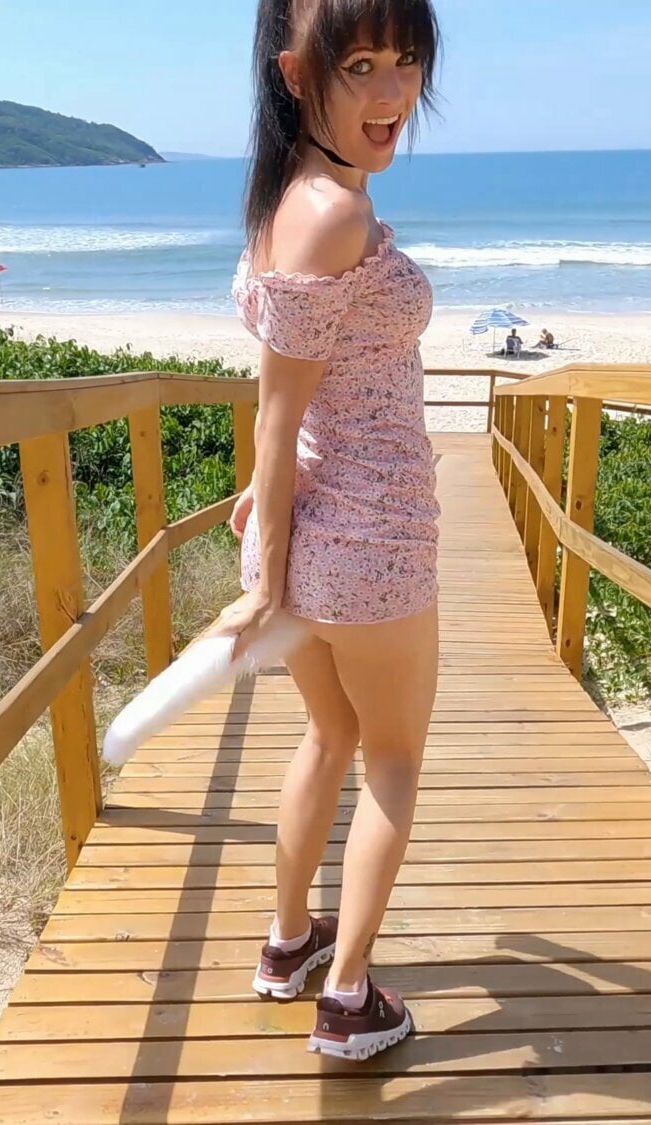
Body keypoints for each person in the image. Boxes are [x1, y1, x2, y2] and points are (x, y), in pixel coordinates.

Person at [219, 0, 442, 1061]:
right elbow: (278, 410)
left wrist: (268, 519)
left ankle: (288, 943)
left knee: (329, 734)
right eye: (359, 66)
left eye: (405, 61)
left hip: (315, 524)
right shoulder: (331, 214)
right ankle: (349, 999)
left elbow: (294, 391)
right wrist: (266, 580)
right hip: (370, 541)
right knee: (391, 758)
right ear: (296, 74)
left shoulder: (284, 200)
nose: (392, 94)